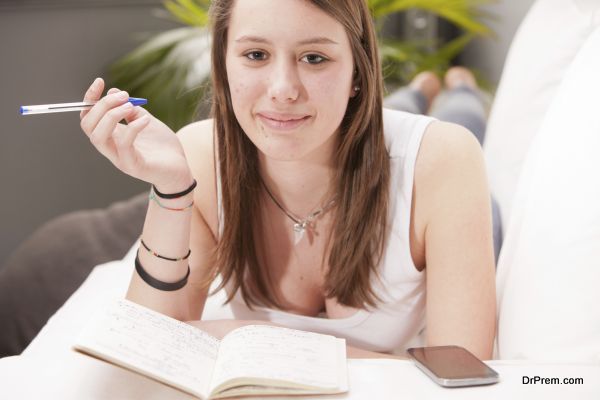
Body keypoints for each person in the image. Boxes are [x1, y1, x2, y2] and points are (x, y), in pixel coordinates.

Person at [79, 0, 496, 359]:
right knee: (389, 107)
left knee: (463, 114)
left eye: (314, 58)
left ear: (357, 70)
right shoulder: (200, 156)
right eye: (256, 55)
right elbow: (149, 347)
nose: (283, 90)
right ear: (223, 64)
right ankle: (421, 88)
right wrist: (171, 191)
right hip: (338, 120)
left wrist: (253, 341)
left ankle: (459, 86)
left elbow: (460, 373)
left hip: (414, 161)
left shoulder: (444, 159)